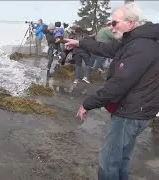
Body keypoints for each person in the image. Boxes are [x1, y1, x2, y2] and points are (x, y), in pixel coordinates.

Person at [65, 2, 159, 179]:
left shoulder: (140, 47)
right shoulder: (134, 41)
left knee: (108, 163)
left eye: (114, 23)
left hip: (129, 113)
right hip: (138, 111)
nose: (110, 27)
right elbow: (104, 48)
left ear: (130, 23)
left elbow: (117, 86)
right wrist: (79, 43)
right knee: (122, 158)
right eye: (110, 23)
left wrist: (87, 104)